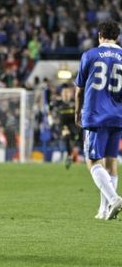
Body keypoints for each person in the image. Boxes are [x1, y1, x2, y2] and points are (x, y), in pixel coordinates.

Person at [74, 19, 122, 220]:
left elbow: (79, 89)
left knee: (93, 162)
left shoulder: (90, 55)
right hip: (118, 116)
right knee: (111, 162)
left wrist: (77, 113)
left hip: (96, 115)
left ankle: (114, 200)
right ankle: (104, 210)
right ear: (117, 36)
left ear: (100, 36)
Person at [51, 84, 81, 169]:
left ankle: (71, 155)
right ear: (61, 94)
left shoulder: (74, 103)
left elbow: (79, 113)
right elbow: (52, 113)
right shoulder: (57, 103)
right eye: (64, 92)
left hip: (72, 124)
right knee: (67, 135)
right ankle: (69, 156)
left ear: (70, 94)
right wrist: (52, 123)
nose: (66, 94)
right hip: (62, 125)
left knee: (75, 135)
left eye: (67, 92)